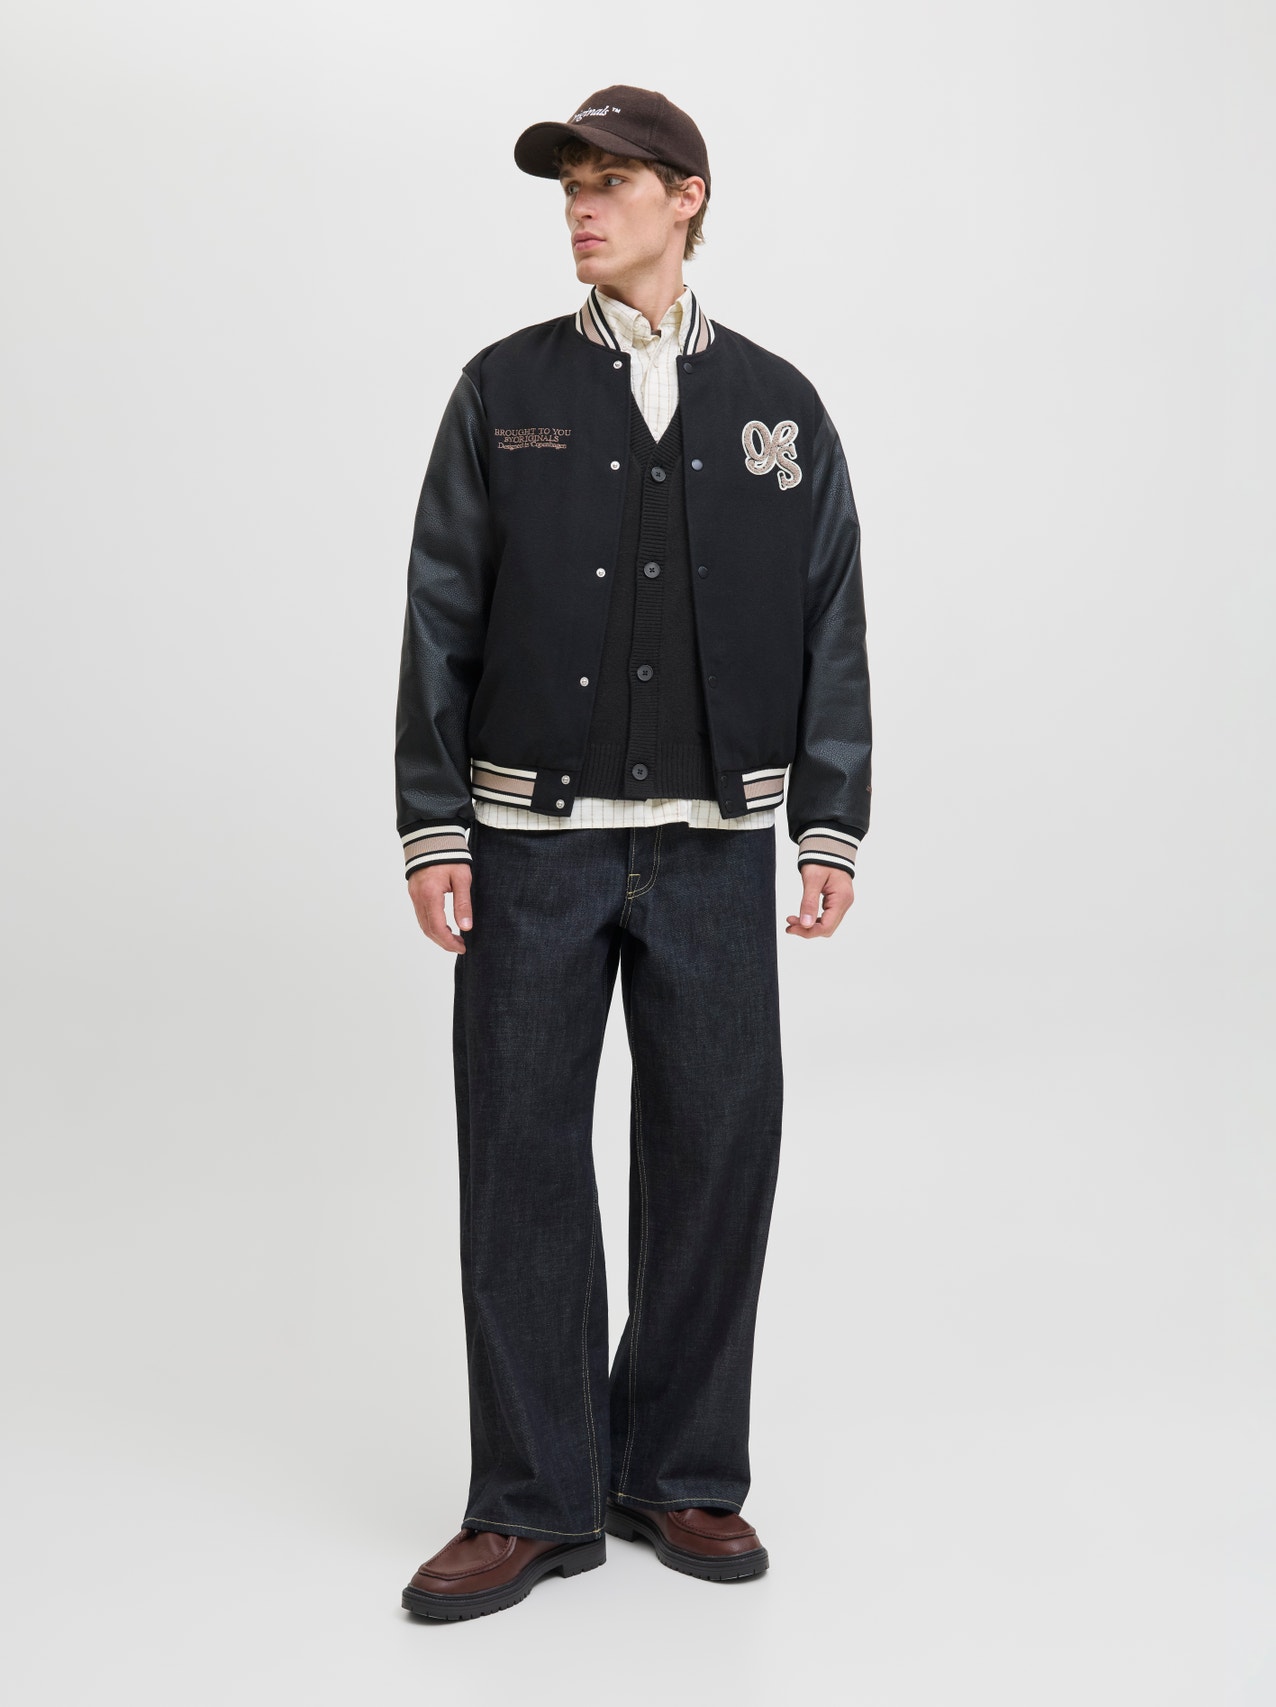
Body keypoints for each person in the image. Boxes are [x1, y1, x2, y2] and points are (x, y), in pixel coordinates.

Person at [394, 84, 872, 1621]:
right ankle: (532, 1500)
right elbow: (441, 610)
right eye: (570, 187)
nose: (582, 209)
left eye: (610, 182)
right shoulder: (503, 390)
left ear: (689, 198)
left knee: (718, 1157)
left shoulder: (780, 405)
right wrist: (433, 823)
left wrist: (830, 817)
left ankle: (678, 1470)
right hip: (530, 847)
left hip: (720, 848)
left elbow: (832, 618)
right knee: (521, 1164)